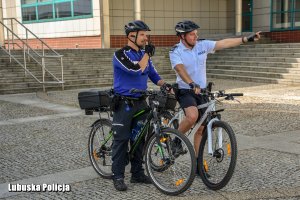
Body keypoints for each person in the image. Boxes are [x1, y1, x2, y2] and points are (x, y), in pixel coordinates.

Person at [169, 20, 261, 169]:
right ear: (182, 36)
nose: (195, 37)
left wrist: (245, 39)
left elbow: (223, 43)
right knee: (192, 117)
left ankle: (198, 165)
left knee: (201, 128)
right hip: (186, 90)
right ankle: (176, 140)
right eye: (192, 34)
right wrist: (191, 83)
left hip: (202, 90)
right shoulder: (175, 51)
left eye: (196, 34)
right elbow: (180, 69)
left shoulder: (202, 45)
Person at [111, 20, 169, 191]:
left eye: (146, 34)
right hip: (124, 103)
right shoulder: (120, 54)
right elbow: (135, 69)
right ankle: (118, 176)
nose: (146, 38)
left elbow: (152, 73)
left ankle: (137, 173)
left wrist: (164, 84)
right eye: (142, 34)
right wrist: (147, 55)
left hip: (141, 102)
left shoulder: (144, 55)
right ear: (131, 36)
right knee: (121, 140)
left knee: (139, 139)